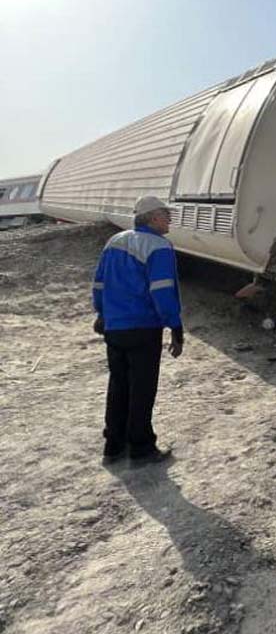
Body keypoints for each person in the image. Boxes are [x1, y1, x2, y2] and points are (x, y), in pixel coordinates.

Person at [91, 195, 183, 465]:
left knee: (118, 385)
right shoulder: (158, 246)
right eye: (166, 214)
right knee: (142, 388)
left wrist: (101, 314)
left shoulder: (114, 242)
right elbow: (162, 291)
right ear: (153, 217)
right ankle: (141, 448)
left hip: (115, 327)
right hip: (143, 327)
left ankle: (113, 446)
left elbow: (99, 283)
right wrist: (175, 327)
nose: (170, 219)